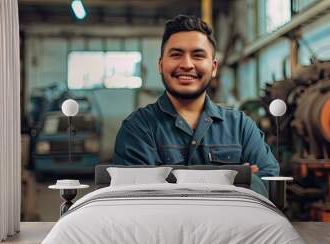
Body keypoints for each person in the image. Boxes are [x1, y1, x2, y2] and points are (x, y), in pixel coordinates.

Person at [113, 15, 279, 190]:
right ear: (161, 65)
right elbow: (135, 198)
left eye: (198, 56)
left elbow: (269, 184)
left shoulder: (241, 127)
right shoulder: (138, 129)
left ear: (213, 67)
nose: (186, 64)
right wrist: (232, 181)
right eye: (176, 55)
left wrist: (168, 183)